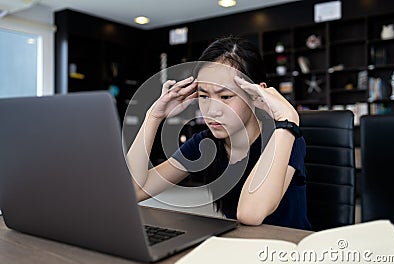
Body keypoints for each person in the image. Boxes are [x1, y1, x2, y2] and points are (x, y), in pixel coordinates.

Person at [127, 36, 311, 230]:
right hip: (237, 247)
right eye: (204, 96)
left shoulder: (286, 138)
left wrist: (288, 121)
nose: (212, 110)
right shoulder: (206, 142)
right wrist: (154, 115)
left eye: (225, 96)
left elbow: (250, 214)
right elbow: (132, 190)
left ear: (258, 94)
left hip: (286, 250)